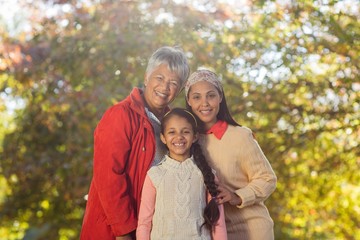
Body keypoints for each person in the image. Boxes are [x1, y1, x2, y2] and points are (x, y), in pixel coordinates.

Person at [80, 46, 190, 240]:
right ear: (147, 77)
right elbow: (109, 177)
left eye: (173, 83)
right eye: (159, 78)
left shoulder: (173, 126)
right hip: (117, 231)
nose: (165, 87)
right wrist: (124, 232)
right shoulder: (121, 115)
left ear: (179, 89)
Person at [185, 69, 277, 240]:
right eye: (197, 97)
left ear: (220, 97)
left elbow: (267, 179)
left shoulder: (240, 136)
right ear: (189, 101)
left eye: (210, 95)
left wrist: (237, 196)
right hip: (212, 232)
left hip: (251, 230)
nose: (204, 103)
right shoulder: (187, 141)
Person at [136, 108, 227, 240]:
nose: (179, 137)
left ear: (195, 136)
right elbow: (144, 223)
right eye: (172, 132)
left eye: (185, 132)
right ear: (163, 137)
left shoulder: (207, 174)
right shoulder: (155, 175)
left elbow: (218, 223)